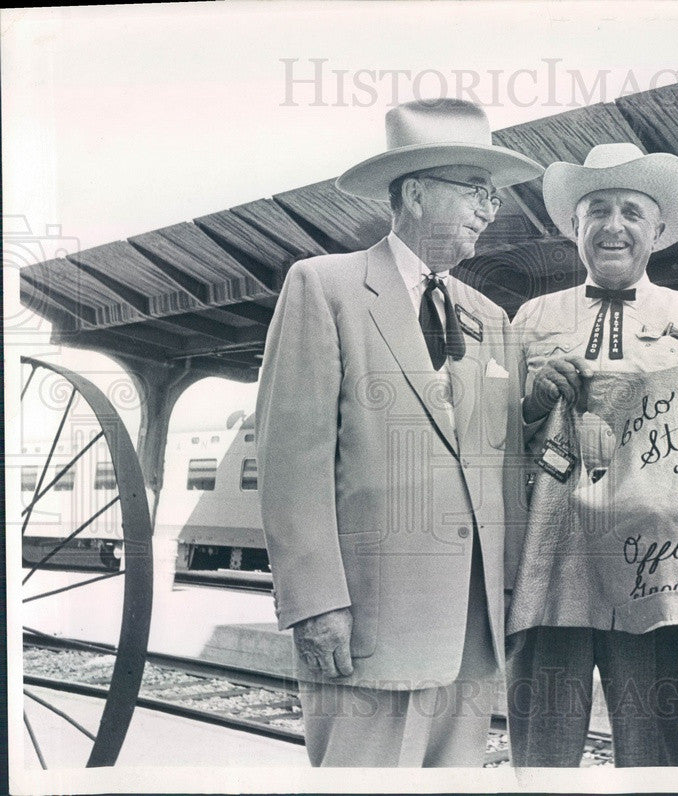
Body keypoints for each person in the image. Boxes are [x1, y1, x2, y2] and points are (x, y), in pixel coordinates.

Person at [255, 98, 542, 767]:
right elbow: (292, 462)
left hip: (473, 627)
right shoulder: (324, 288)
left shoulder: (492, 317)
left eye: (493, 197)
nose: (488, 209)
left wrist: (510, 595)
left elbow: (501, 466)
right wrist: (316, 601)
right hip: (369, 623)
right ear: (414, 192)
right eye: (475, 190)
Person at [506, 143, 678, 767]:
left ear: (657, 230)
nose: (613, 226)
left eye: (632, 211)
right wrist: (531, 403)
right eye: (596, 209)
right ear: (574, 227)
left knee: (651, 748)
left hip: (650, 566)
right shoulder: (531, 317)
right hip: (549, 561)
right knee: (541, 750)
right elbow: (491, 444)